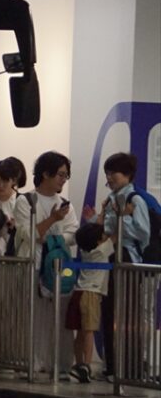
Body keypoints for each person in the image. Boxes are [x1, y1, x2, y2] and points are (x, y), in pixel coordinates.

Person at [79, 152, 151, 381]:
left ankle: (129, 367)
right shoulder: (112, 199)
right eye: (107, 174)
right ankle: (112, 366)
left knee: (127, 315)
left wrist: (119, 222)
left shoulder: (134, 200)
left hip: (128, 258)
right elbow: (105, 229)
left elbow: (143, 233)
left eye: (113, 173)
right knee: (111, 313)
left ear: (127, 174)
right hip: (111, 256)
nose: (109, 178)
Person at [13, 151, 79, 373]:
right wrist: (53, 221)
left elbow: (72, 234)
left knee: (58, 318)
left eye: (65, 176)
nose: (63, 180)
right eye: (60, 174)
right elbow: (29, 234)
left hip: (58, 266)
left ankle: (58, 363)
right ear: (45, 174)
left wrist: (51, 236)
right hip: (33, 264)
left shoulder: (65, 205)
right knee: (32, 317)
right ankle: (31, 361)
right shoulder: (25, 201)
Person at [65, 222, 113, 383]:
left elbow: (95, 233)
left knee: (79, 332)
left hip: (78, 292)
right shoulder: (102, 250)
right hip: (91, 294)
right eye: (103, 236)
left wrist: (92, 219)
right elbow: (116, 235)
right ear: (99, 241)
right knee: (89, 331)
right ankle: (87, 365)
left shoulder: (86, 250)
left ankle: (78, 364)